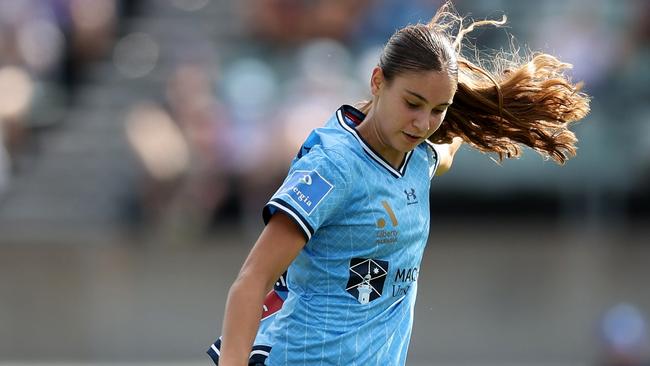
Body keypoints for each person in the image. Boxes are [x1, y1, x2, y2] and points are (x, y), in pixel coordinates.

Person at [208, 2, 591, 365]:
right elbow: (251, 281)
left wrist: (477, 122)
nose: (423, 123)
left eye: (438, 110)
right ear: (378, 82)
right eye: (412, 103)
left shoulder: (419, 157)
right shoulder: (334, 166)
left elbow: (443, 153)